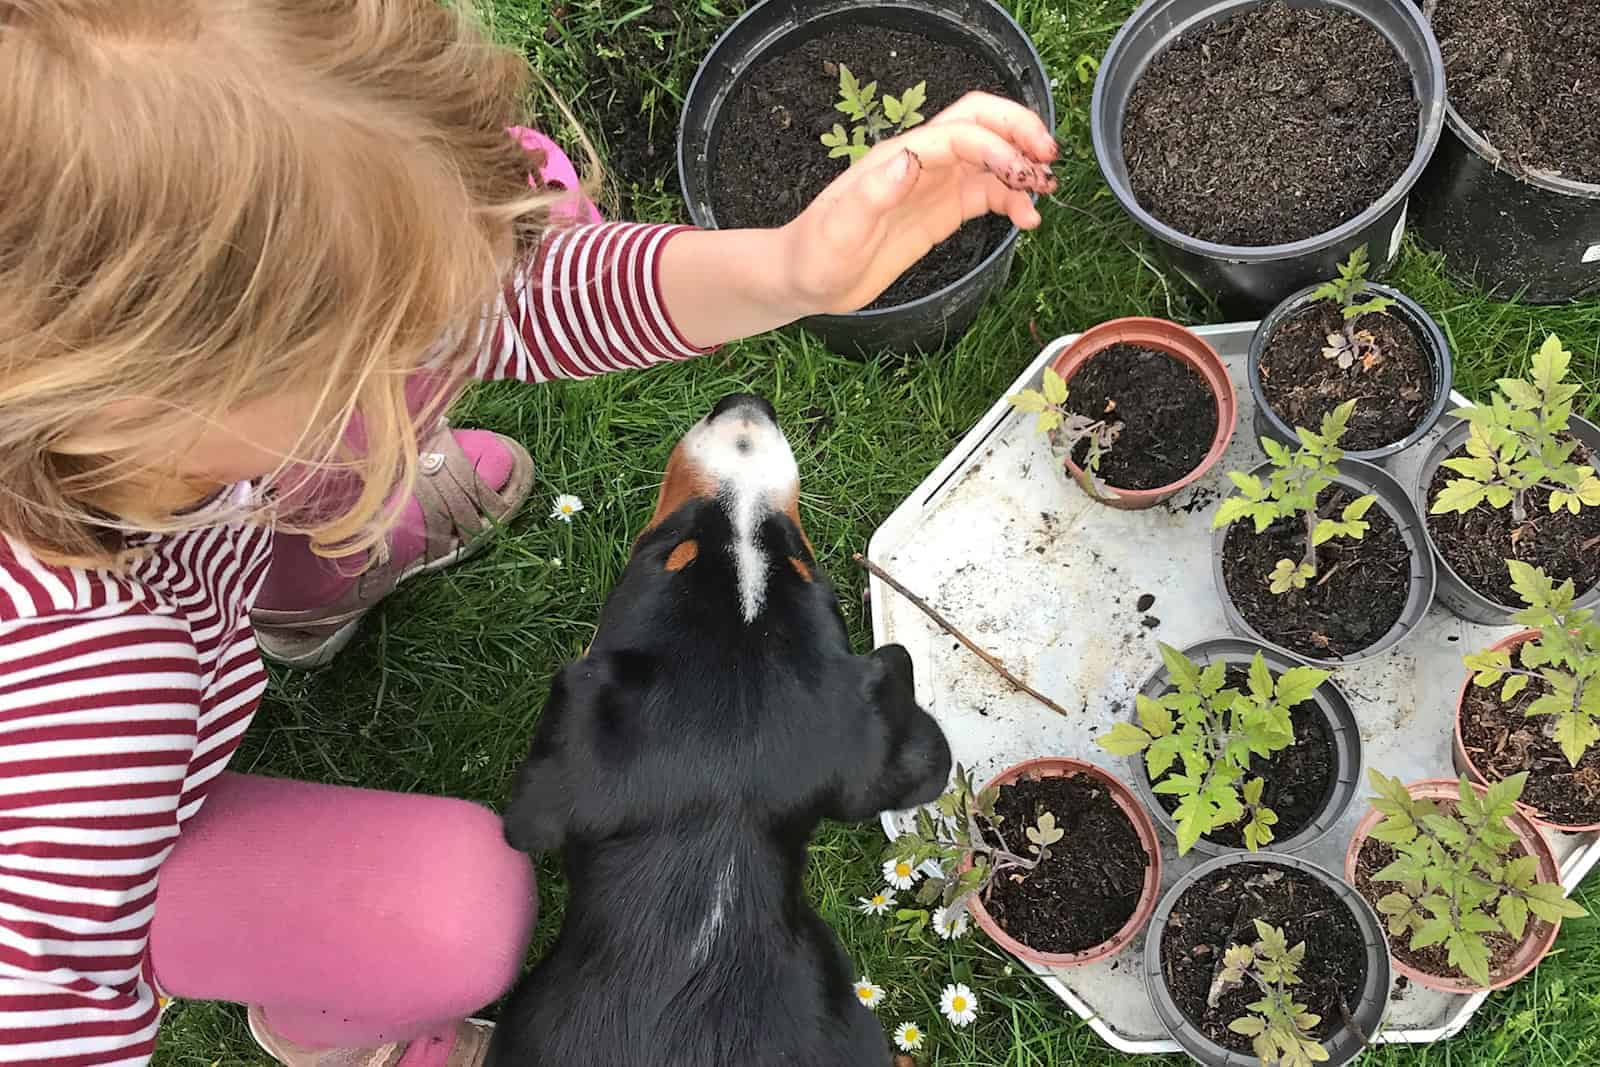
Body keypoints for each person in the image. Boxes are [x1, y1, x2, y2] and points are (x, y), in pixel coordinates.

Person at [0, 1, 1057, 1064]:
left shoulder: (137, 384)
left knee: (345, 442)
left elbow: (510, 301)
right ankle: (330, 1013)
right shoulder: (89, 702)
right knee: (454, 905)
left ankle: (301, 577)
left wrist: (786, 271)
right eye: (402, 334)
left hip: (190, 519)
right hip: (123, 815)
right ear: (140, 387)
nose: (457, 338)